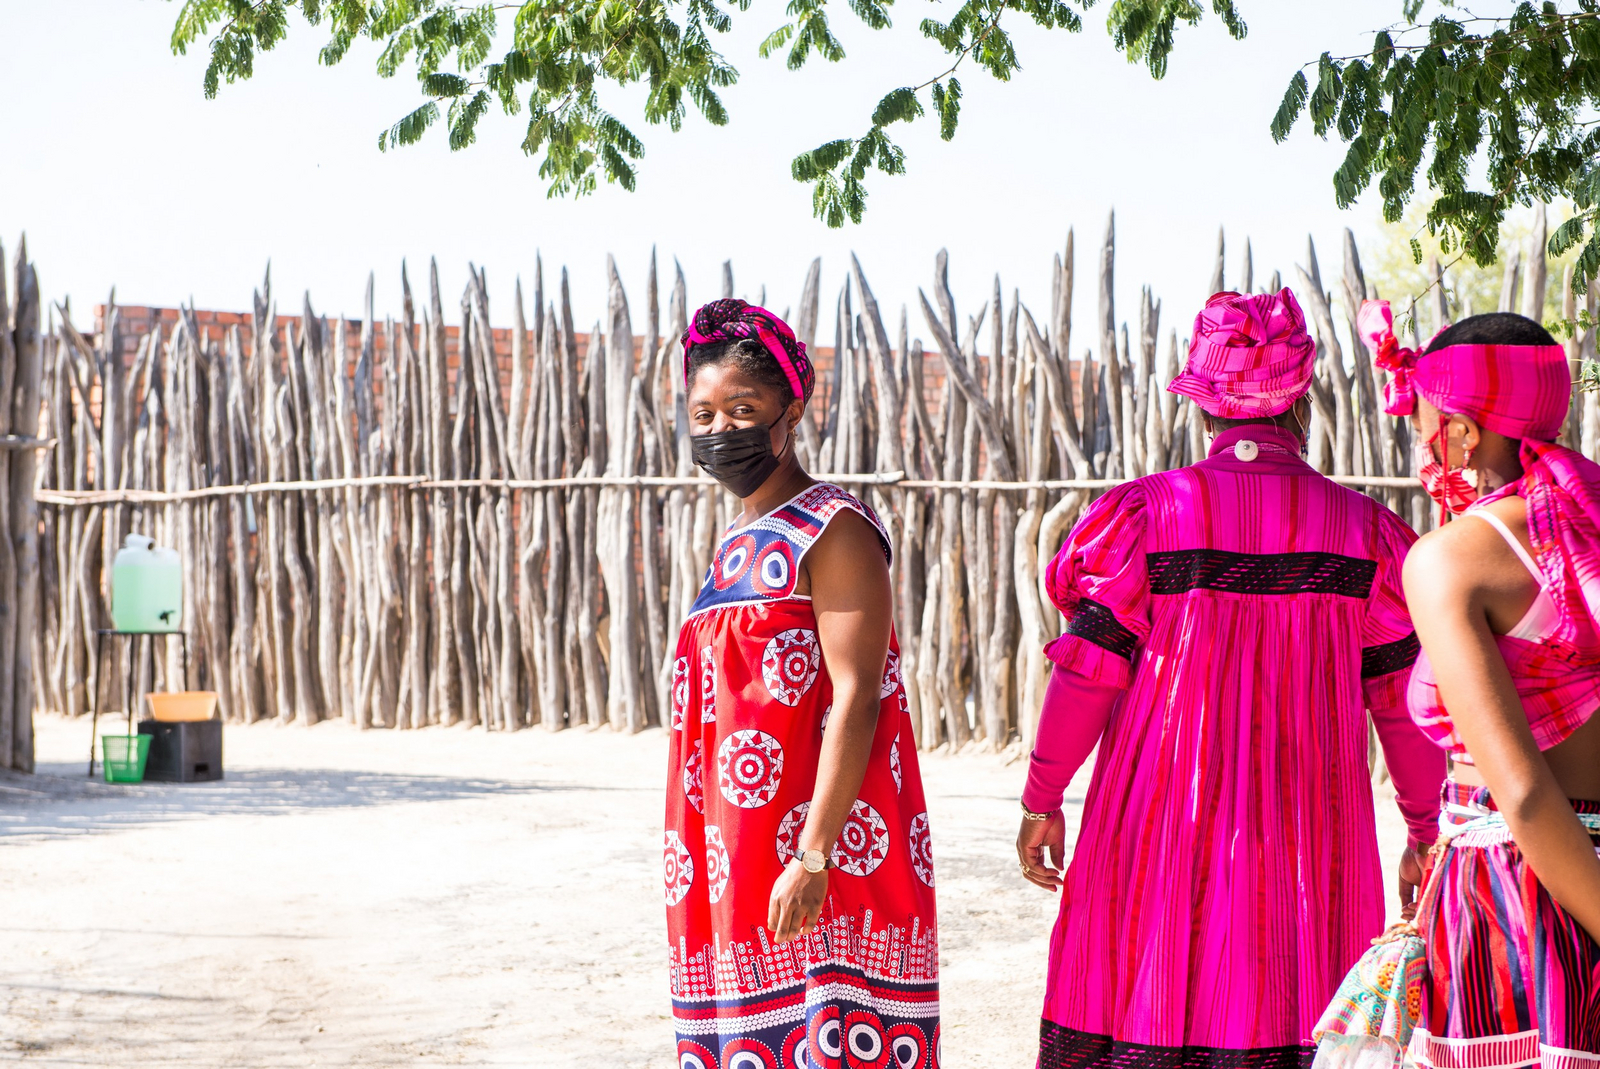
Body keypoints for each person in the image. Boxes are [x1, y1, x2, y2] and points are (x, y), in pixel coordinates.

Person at [1017, 289, 1447, 1069]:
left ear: (1204, 409)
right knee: (1296, 988)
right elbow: (1401, 700)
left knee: (1143, 977)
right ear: (1301, 404)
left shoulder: (1147, 518)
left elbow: (1087, 675)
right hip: (1310, 825)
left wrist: (1043, 797)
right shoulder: (1366, 534)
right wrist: (1424, 830)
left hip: (1158, 816)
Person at [664, 300, 940, 1069]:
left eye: (743, 409)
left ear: (791, 413)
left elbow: (858, 694)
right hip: (733, 848)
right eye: (704, 413)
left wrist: (813, 857)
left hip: (822, 850)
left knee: (830, 1029)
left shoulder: (834, 526)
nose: (722, 430)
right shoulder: (737, 545)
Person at [1356, 303, 1600, 1068]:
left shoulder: (1451, 559)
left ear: (1463, 430)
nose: (1424, 435)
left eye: (1429, 416)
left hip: (1521, 888)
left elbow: (1523, 792)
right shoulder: (1586, 524)